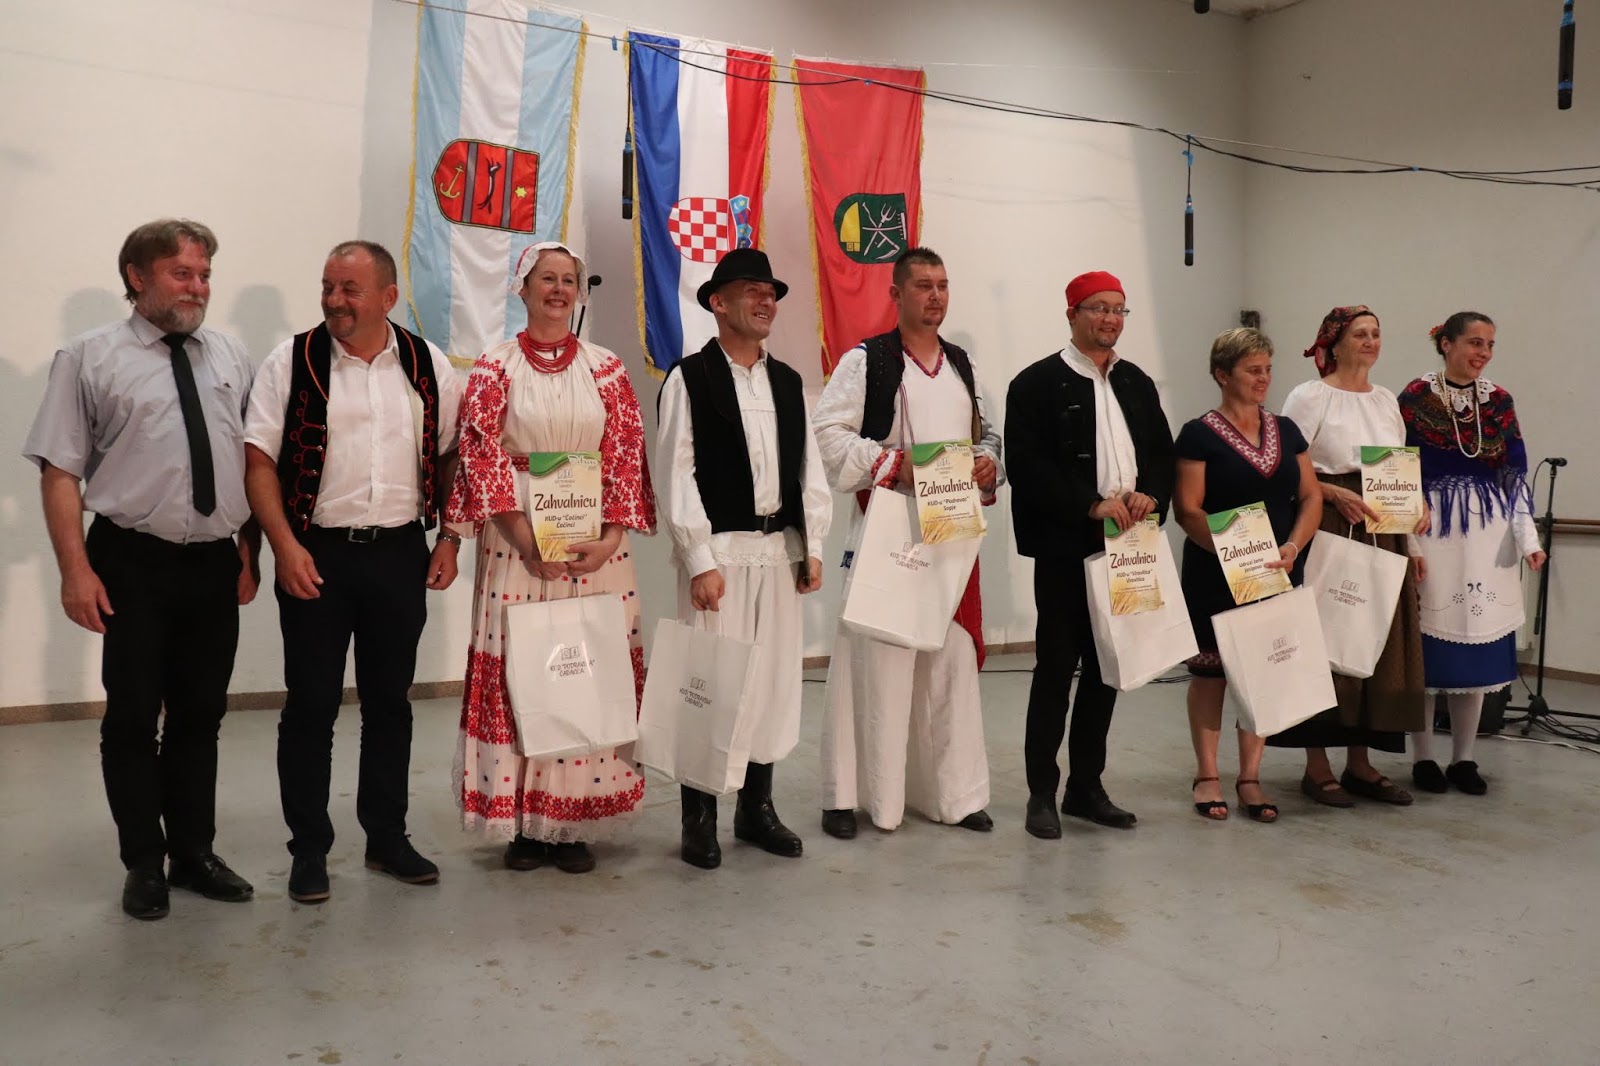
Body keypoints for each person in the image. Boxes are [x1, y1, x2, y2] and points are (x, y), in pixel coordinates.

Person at [22, 218, 258, 920]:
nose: (198, 288)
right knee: (131, 717)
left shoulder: (229, 354)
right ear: (137, 276)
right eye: (182, 274)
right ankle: (144, 863)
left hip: (213, 561)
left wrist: (248, 551)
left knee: (201, 714)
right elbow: (60, 473)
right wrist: (74, 571)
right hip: (132, 560)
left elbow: (251, 460)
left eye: (205, 275)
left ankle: (193, 852)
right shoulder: (88, 357)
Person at [244, 240, 464, 903]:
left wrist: (451, 538)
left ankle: (386, 838)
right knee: (311, 706)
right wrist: (284, 547)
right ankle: (309, 848)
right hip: (316, 553)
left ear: (388, 297)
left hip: (399, 552)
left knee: (389, 705)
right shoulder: (291, 360)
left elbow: (452, 456)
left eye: (350, 289)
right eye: (328, 286)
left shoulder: (428, 364)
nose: (334, 300)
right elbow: (258, 462)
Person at [446, 242, 656, 875]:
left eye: (568, 280)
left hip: (592, 547)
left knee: (583, 667)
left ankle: (572, 819)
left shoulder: (606, 367)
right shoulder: (494, 367)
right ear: (523, 288)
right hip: (517, 543)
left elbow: (625, 452)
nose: (559, 289)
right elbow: (481, 454)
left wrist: (610, 539)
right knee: (525, 668)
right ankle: (524, 824)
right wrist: (522, 536)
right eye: (547, 279)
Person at [813, 246, 1003, 839]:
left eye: (942, 284)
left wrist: (989, 464)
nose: (935, 295)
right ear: (896, 294)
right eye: (923, 285)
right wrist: (895, 464)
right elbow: (828, 434)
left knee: (950, 659)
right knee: (877, 661)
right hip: (888, 530)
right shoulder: (866, 361)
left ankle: (955, 794)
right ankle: (849, 796)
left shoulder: (963, 365)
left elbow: (988, 435)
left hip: (953, 536)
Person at [657, 248, 832, 869]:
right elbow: (675, 471)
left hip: (777, 553)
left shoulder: (786, 381)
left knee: (771, 683)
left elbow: (808, 469)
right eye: (752, 290)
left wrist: (812, 545)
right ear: (718, 302)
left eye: (771, 292)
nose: (766, 301)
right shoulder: (690, 378)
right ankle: (699, 815)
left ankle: (756, 807)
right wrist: (698, 558)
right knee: (711, 683)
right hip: (722, 556)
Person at [1005, 271, 1174, 839]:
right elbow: (1027, 467)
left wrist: (1151, 494)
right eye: (1099, 308)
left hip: (1128, 544)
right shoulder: (1035, 383)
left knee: (1108, 668)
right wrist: (1089, 504)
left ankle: (1086, 787)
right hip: (1065, 544)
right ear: (1072, 313)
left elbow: (1161, 453)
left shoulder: (1137, 381)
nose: (1110, 319)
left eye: (1119, 310)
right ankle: (1041, 793)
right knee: (1056, 667)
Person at [1278, 307, 1427, 808]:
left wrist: (1415, 536)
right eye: (1360, 333)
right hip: (1328, 521)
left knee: (1375, 642)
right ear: (1334, 343)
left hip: (1383, 528)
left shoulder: (1386, 400)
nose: (1370, 341)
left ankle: (1360, 762)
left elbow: (1397, 471)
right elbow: (1286, 467)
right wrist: (1330, 491)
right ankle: (1316, 766)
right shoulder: (1310, 396)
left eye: (1376, 333)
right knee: (1328, 639)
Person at [1172, 328, 1322, 823]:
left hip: (1278, 569)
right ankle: (1207, 774)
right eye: (1252, 370)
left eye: (1268, 369)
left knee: (1264, 669)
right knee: (1211, 674)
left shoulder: (1287, 429)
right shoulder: (1198, 434)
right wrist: (1233, 553)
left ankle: (1251, 777)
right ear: (1222, 374)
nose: (1264, 379)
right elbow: (1187, 509)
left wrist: (1293, 547)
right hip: (1216, 571)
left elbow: (1310, 496)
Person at [1399, 312, 1544, 795]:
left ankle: (1463, 758)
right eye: (1475, 342)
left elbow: (1513, 475)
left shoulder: (1499, 401)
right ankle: (1423, 758)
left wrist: (1529, 540)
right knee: (1428, 656)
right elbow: (1399, 473)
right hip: (1433, 532)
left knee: (1477, 655)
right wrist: (1409, 541)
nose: (1483, 352)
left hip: (1487, 537)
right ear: (1446, 343)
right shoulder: (1414, 398)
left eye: (1490, 344)